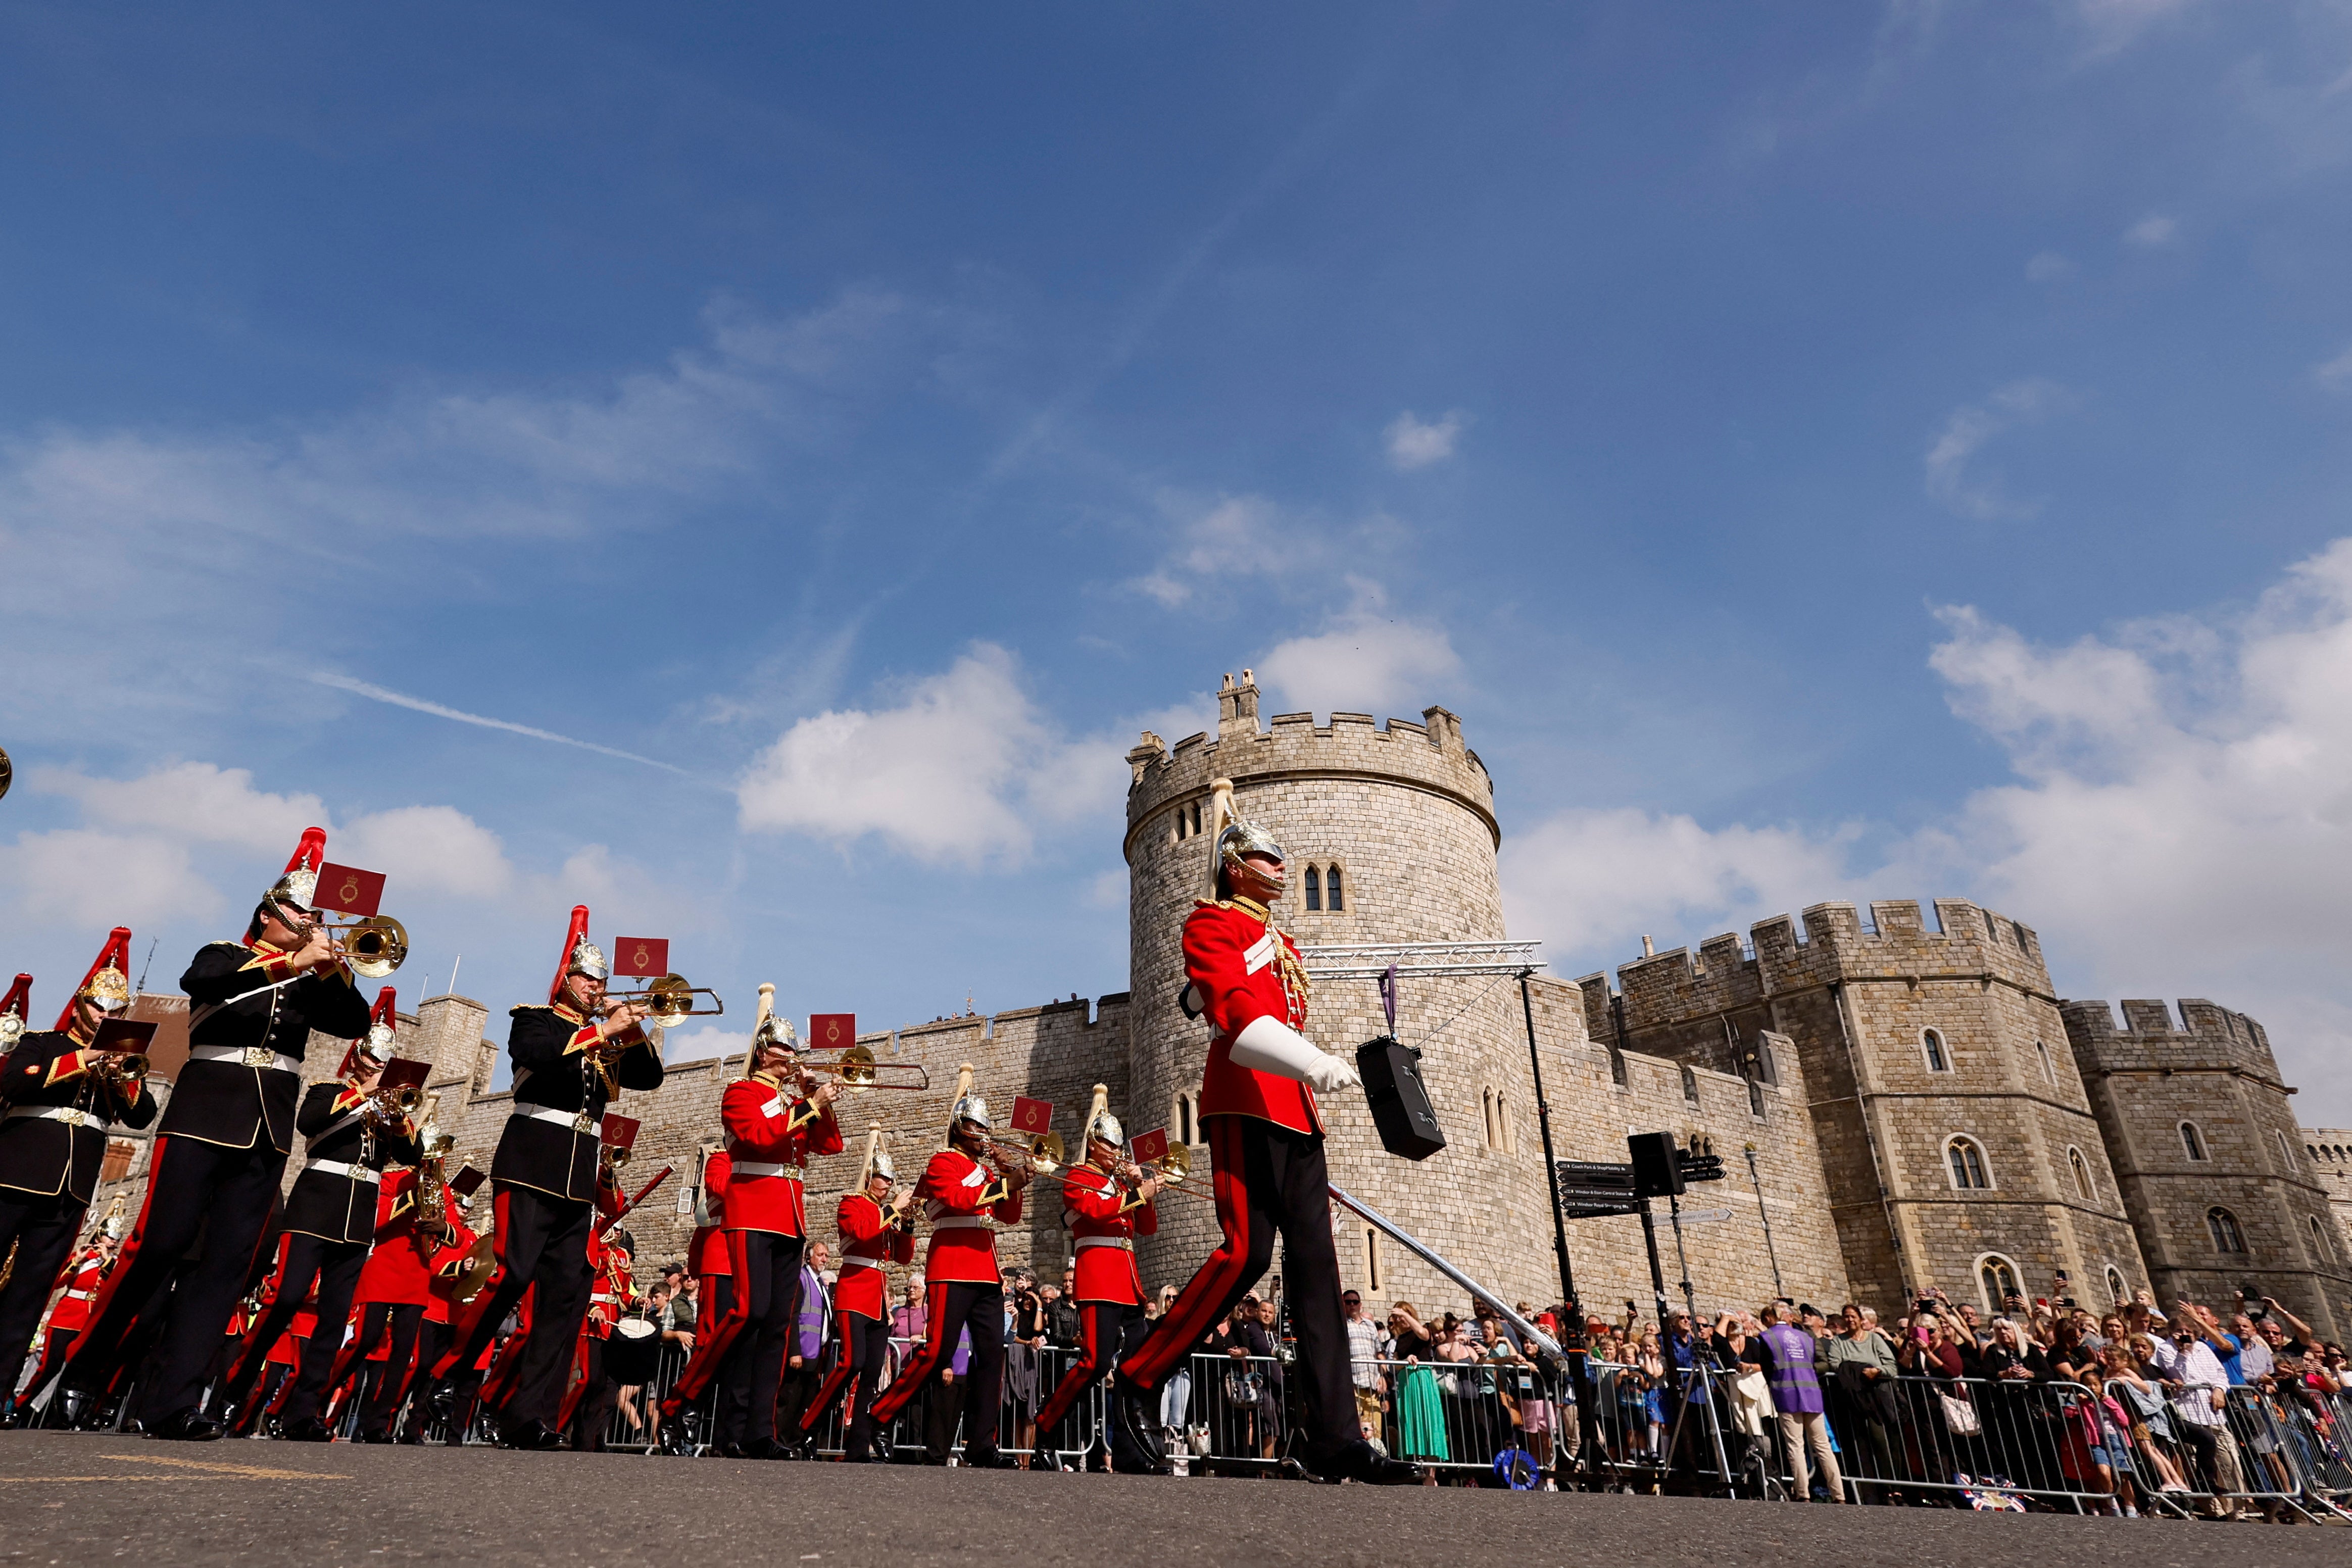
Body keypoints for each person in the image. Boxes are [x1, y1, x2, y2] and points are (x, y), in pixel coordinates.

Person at [1110, 780, 1415, 1486]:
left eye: (1282, 860)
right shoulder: (1210, 925)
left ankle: (1332, 1436)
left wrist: (1309, 1073)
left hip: (1293, 1108)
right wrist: (1317, 1063)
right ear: (1234, 865)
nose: (1282, 868)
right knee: (1247, 1252)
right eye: (1266, 858)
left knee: (1317, 1272)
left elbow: (1260, 1008)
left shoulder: (1278, 940)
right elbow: (1241, 1029)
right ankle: (1139, 1374)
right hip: (1244, 1100)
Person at [47, 834, 373, 1440]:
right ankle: (86, 1368)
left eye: (315, 919)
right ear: (267, 916)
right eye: (303, 915)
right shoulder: (224, 953)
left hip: (266, 1131)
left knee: (224, 1267)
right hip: (202, 1117)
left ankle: (173, 1401)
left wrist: (335, 968)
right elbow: (206, 981)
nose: (312, 926)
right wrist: (293, 962)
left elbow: (356, 1022)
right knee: (162, 1245)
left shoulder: (312, 980)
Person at [430, 905, 662, 1451]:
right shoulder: (535, 1018)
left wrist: (633, 1030)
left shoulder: (606, 1037)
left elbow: (649, 1076)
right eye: (586, 977)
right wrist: (602, 1028)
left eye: (601, 981)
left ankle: (530, 1415)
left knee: (564, 1299)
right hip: (532, 1163)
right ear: (566, 979)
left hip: (578, 1176)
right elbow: (535, 1055)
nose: (594, 986)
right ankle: (450, 1371)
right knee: (511, 1274)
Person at [215, 989, 422, 1438]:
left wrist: (399, 1116)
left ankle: (302, 1412)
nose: (378, 1071)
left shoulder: (388, 1108)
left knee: (333, 1318)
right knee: (286, 1299)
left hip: (358, 1215)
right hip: (315, 1207)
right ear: (358, 1060)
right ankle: (232, 1392)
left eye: (385, 1065)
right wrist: (362, 1096)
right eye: (373, 1062)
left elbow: (413, 1153)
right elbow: (309, 1123)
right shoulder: (328, 1091)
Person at [663, 997, 840, 1458]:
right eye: (783, 1048)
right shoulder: (742, 1094)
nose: (790, 1054)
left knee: (775, 1328)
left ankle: (759, 1429)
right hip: (752, 1214)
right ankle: (682, 1400)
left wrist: (817, 1099)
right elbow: (761, 1137)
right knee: (748, 1313)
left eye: (793, 1048)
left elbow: (830, 1143)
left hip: (789, 1220)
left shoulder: (792, 1100)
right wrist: (806, 1106)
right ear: (763, 1053)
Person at [0, 942, 157, 1422]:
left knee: (29, 1296)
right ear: (81, 1001)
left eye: (115, 1009)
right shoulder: (43, 1042)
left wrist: (121, 1075)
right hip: (16, 1176)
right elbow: (14, 1082)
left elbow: (143, 1115)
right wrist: (83, 1060)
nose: (104, 1014)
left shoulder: (119, 1061)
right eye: (98, 1005)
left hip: (71, 1192)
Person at [865, 1064, 1028, 1467]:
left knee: (992, 1357)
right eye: (977, 1128)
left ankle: (982, 1443)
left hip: (985, 1270)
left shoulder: (989, 1171)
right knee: (937, 1352)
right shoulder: (942, 1162)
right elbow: (956, 1200)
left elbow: (1009, 1217)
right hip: (953, 1265)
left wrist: (1009, 1174)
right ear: (961, 1129)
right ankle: (880, 1416)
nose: (983, 1136)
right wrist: (1005, 1181)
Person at [1032, 1086, 1161, 1472]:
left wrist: (1144, 1190)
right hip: (1100, 1277)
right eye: (1109, 1146)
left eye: (1118, 1147)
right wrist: (1136, 1194)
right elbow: (1095, 1210)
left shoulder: (1122, 1185)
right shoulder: (1079, 1175)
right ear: (1093, 1144)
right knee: (1094, 1363)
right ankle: (1047, 1424)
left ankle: (1131, 1449)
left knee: (1135, 1367)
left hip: (1128, 1281)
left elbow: (1147, 1228)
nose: (1116, 1153)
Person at [798, 1129, 915, 1461]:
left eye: (890, 1180)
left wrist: (906, 1225)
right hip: (853, 1293)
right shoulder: (852, 1204)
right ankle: (808, 1426)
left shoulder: (883, 1211)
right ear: (868, 1178)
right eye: (882, 1179)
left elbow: (902, 1257)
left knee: (871, 1374)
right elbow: (862, 1231)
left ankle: (857, 1445)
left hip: (877, 1297)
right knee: (851, 1363)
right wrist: (892, 1209)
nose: (888, 1185)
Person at [1750, 1301, 1843, 1502]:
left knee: (1795, 1446)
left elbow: (1768, 1368)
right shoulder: (1805, 1337)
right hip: (1811, 1392)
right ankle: (1839, 1493)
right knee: (1822, 1446)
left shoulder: (1768, 1336)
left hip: (1787, 1392)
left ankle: (1803, 1493)